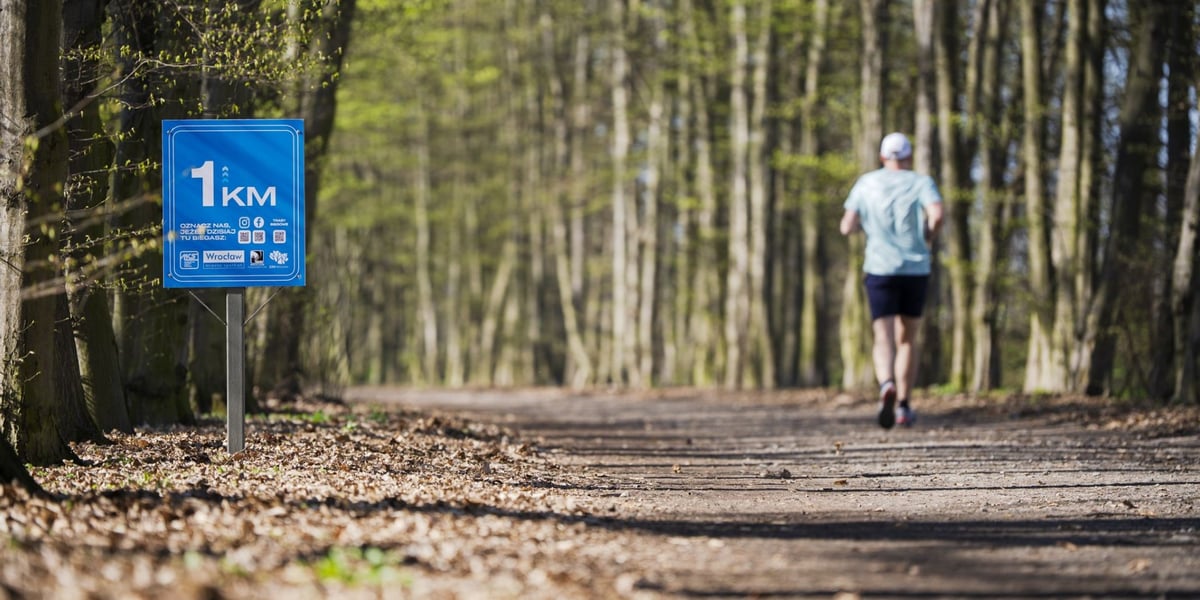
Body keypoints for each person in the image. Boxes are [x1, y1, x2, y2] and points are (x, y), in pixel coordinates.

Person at [839, 132, 944, 429]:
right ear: (909, 156)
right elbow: (937, 214)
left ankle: (886, 383)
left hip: (879, 268)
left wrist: (861, 226)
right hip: (915, 269)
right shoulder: (921, 182)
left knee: (882, 336)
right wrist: (928, 235)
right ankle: (904, 406)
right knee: (907, 339)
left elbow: (846, 226)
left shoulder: (866, 183)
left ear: (883, 157)